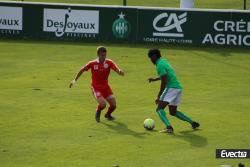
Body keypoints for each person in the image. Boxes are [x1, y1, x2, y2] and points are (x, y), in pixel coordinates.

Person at [147, 49, 200, 134]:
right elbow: (167, 74)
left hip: (171, 88)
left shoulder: (159, 65)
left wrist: (159, 96)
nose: (150, 60)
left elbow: (164, 81)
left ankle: (169, 127)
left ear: (154, 56)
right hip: (178, 88)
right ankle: (192, 122)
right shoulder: (164, 61)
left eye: (150, 58)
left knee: (159, 108)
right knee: (173, 112)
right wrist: (155, 79)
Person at [69, 46, 124, 122]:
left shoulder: (109, 62)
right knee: (103, 104)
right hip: (96, 87)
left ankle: (107, 115)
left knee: (113, 105)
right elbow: (82, 70)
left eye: (105, 55)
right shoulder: (92, 63)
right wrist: (74, 80)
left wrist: (120, 71)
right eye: (102, 55)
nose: (104, 57)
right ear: (98, 54)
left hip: (106, 87)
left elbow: (116, 69)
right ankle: (98, 111)